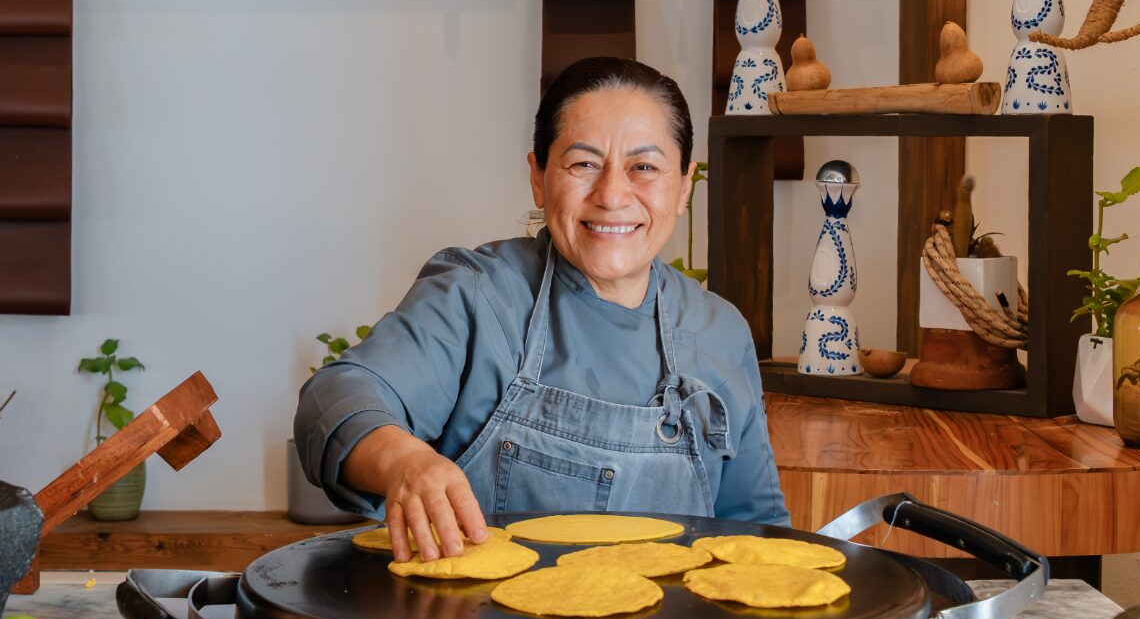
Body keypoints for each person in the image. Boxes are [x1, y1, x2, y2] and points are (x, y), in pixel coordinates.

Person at [295, 56, 788, 564]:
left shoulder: (720, 332)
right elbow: (332, 398)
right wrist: (402, 460)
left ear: (684, 185)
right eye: (583, 164)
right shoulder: (480, 296)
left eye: (644, 167)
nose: (612, 195)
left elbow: (757, 536)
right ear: (538, 177)